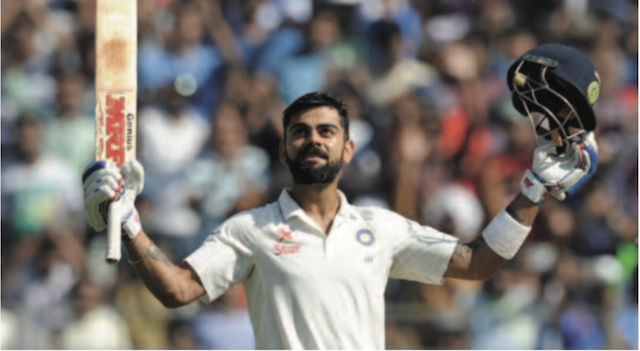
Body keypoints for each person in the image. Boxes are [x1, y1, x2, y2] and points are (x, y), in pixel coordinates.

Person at [82, 44, 600, 350]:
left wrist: (532, 189)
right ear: (283, 151)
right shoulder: (250, 229)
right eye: (301, 132)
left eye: (327, 132)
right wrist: (128, 223)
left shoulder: (385, 228)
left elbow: (479, 263)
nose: (313, 139)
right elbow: (176, 291)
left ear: (348, 149)